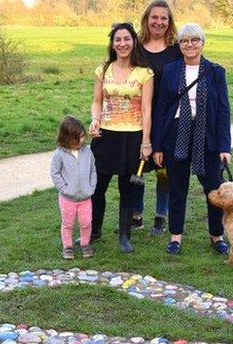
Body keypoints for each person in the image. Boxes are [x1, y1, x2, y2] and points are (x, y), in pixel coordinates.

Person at [151, 23, 231, 256]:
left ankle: (217, 236)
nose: (190, 44)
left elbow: (224, 111)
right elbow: (162, 109)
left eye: (195, 40)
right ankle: (176, 236)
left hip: (208, 137)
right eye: (185, 41)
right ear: (180, 45)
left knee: (213, 189)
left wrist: (225, 146)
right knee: (177, 188)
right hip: (176, 134)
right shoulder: (171, 70)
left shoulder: (216, 71)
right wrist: (157, 145)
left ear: (202, 43)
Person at [89, 22, 154, 253]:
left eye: (127, 39)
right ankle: (94, 232)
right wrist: (95, 120)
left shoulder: (144, 73)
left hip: (133, 136)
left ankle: (125, 237)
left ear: (134, 42)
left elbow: (147, 109)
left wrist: (146, 142)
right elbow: (97, 101)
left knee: (128, 189)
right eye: (118, 39)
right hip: (105, 136)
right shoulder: (102, 70)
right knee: (97, 187)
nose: (122, 44)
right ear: (112, 43)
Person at [135, 0, 182, 237]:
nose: (159, 22)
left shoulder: (176, 50)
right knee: (138, 168)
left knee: (164, 171)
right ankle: (136, 215)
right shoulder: (136, 47)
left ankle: (161, 217)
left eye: (164, 18)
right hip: (138, 118)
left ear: (169, 22)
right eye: (155, 17)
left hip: (166, 120)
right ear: (147, 19)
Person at [50, 116, 97, 259]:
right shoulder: (59, 154)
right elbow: (55, 172)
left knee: (86, 222)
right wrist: (64, 189)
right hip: (67, 198)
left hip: (85, 197)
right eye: (78, 138)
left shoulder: (87, 151)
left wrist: (91, 187)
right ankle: (68, 246)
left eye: (83, 136)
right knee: (68, 223)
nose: (81, 141)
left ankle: (85, 243)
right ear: (66, 138)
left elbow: (92, 169)